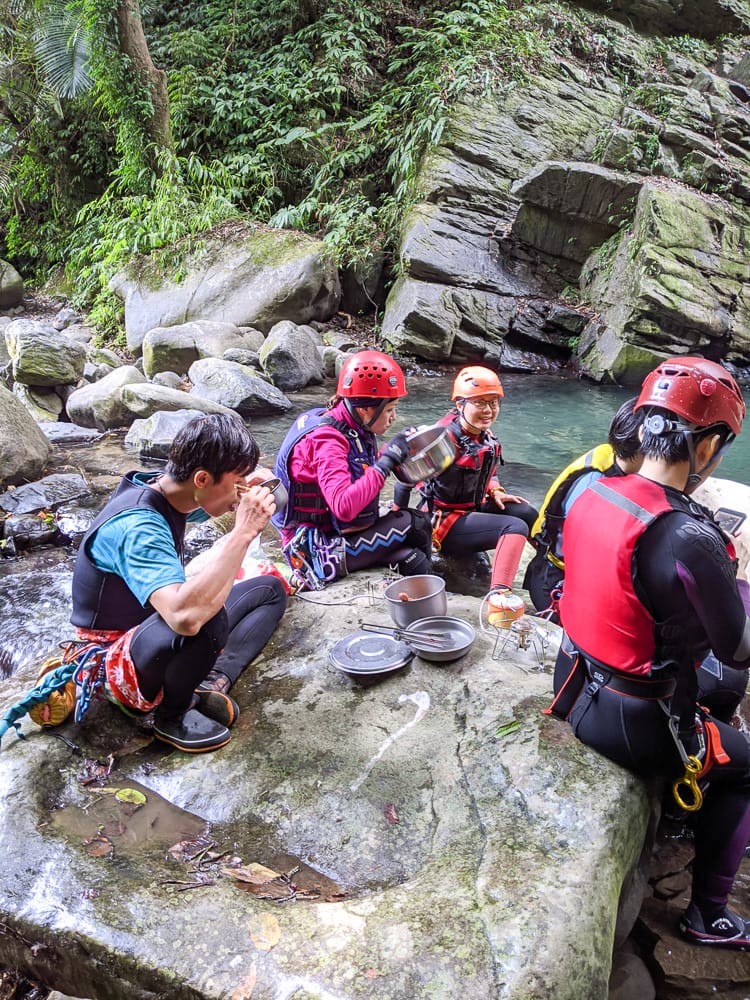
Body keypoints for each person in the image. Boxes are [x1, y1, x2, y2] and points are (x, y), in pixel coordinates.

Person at [550, 356, 750, 949]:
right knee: (747, 762)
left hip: (573, 680)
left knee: (714, 691)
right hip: (633, 722)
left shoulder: (596, 490)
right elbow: (737, 649)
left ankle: (688, 810)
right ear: (708, 443)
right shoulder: (691, 534)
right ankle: (707, 915)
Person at [70, 413, 287, 753]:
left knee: (269, 590)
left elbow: (208, 504)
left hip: (148, 630)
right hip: (111, 658)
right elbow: (184, 618)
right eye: (238, 482)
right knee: (204, 618)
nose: (242, 494)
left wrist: (255, 482)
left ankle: (212, 682)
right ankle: (172, 716)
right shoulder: (139, 527)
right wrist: (244, 530)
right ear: (202, 478)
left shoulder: (174, 491)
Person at [272, 350, 432, 589]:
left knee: (412, 559)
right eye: (389, 409)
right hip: (313, 552)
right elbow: (343, 507)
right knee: (416, 522)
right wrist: (387, 461)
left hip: (331, 536)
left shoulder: (348, 423)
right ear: (365, 409)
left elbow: (357, 469)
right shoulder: (327, 440)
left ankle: (427, 599)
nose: (393, 417)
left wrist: (400, 457)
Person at [394, 365, 538, 600]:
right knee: (515, 527)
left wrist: (496, 491)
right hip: (445, 524)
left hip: (473, 509)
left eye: (494, 403)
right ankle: (498, 597)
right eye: (480, 403)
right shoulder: (443, 440)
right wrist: (398, 518)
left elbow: (487, 471)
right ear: (460, 404)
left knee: (526, 512)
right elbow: (404, 480)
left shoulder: (484, 435)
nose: (489, 410)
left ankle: (550, 570)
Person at [524, 397, 644, 620]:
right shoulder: (595, 481)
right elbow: (583, 552)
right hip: (554, 582)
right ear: (645, 440)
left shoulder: (611, 457)